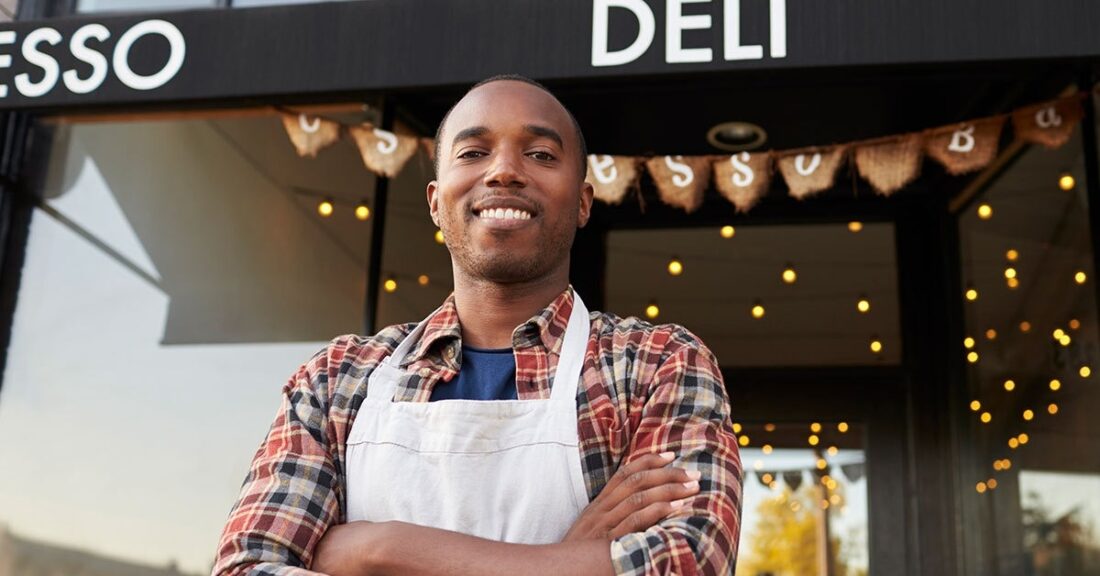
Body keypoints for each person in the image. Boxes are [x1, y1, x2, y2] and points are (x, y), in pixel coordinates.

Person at [212, 75, 742, 576]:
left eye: (539, 154)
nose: (504, 171)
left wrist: (381, 548)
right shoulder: (337, 379)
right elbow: (247, 565)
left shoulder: (656, 363)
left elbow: (688, 560)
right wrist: (568, 559)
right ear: (436, 203)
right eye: (472, 153)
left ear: (583, 203)